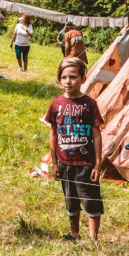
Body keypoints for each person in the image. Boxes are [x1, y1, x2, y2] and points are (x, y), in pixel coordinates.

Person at [46, 57, 104, 241]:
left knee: (91, 200)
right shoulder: (56, 103)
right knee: (70, 200)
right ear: (59, 79)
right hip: (64, 163)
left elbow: (96, 135)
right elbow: (53, 133)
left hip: (85, 163)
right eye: (64, 77)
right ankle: (74, 234)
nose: (68, 81)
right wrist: (55, 163)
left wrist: (97, 164)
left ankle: (93, 239)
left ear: (83, 78)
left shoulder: (90, 104)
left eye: (73, 77)